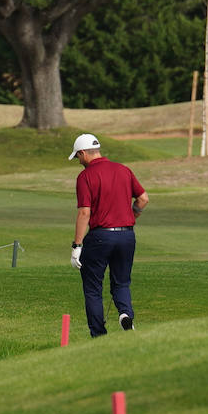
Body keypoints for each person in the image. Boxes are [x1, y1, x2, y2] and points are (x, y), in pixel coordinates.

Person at [68, 132, 148, 335]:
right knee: (121, 282)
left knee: (93, 289)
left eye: (78, 156)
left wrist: (76, 246)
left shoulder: (85, 176)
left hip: (100, 237)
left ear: (84, 153)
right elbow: (143, 199)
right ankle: (125, 314)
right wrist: (130, 218)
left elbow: (84, 212)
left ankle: (99, 335)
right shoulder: (123, 169)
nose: (78, 161)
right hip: (127, 235)